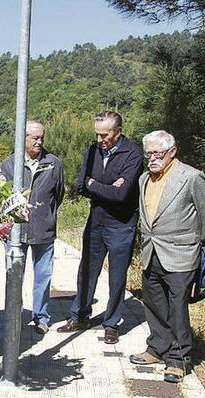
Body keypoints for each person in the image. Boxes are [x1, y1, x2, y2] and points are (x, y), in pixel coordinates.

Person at [129, 131, 205, 383]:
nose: (152, 159)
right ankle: (157, 347)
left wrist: (195, 242)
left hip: (181, 253)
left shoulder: (191, 177)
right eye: (148, 153)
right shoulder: (144, 179)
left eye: (158, 153)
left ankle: (178, 359)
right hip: (151, 252)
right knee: (153, 302)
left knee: (177, 306)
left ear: (172, 152)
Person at [58, 111, 142, 345]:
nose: (100, 140)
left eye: (104, 135)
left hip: (121, 225)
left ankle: (112, 323)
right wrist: (101, 187)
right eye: (97, 134)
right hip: (95, 221)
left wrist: (95, 184)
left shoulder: (132, 154)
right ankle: (79, 316)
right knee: (87, 270)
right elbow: (80, 185)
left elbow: (121, 194)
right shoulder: (93, 150)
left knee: (116, 276)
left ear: (118, 132)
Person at [0, 121, 65, 334]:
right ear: (22, 138)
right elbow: (1, 197)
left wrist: (47, 216)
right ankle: (13, 317)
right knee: (14, 275)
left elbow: (59, 194)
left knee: (43, 276)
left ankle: (41, 317)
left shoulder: (53, 163)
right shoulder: (9, 164)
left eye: (41, 138)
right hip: (16, 231)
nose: (39, 142)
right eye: (34, 138)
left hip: (43, 230)